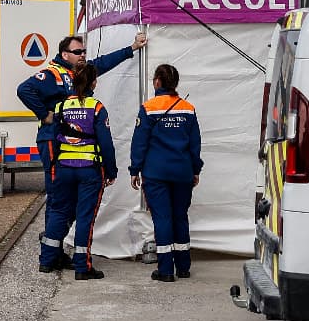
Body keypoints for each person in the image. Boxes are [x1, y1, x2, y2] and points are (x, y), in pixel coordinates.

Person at [18, 31, 143, 193]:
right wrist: (44, 114)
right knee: (55, 189)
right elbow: (23, 89)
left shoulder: (80, 72)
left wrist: (132, 48)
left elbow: (103, 62)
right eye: (77, 52)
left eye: (84, 51)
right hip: (51, 136)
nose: (82, 55)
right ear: (64, 55)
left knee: (67, 193)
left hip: (67, 140)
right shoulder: (52, 74)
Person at [39, 65, 116, 279]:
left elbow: (52, 136)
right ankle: (83, 267)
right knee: (84, 217)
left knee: (58, 211)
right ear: (94, 83)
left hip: (63, 168)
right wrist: (111, 170)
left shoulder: (61, 106)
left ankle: (46, 261)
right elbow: (106, 143)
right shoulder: (97, 107)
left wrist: (53, 165)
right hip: (89, 169)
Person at [130, 63, 201, 282]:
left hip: (156, 173)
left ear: (158, 82)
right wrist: (195, 170)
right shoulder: (188, 108)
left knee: (162, 218)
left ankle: (165, 271)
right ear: (175, 83)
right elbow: (195, 144)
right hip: (182, 172)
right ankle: (183, 267)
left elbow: (139, 142)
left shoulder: (149, 107)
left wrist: (135, 169)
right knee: (180, 216)